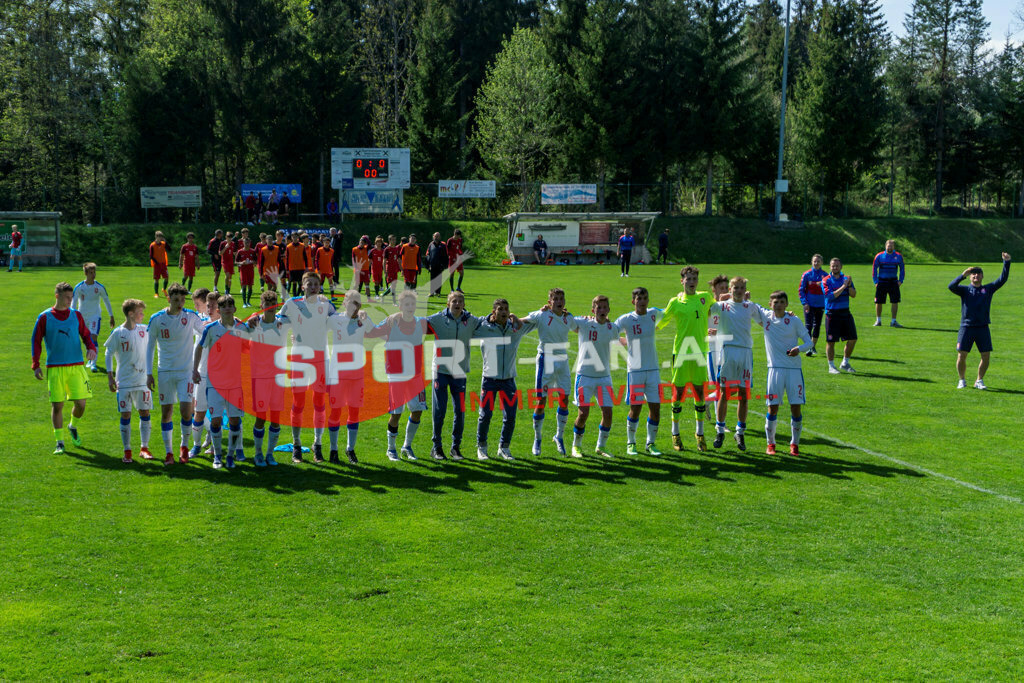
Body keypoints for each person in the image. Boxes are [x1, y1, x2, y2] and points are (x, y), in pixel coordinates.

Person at [31, 282, 98, 454]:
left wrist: (91, 348)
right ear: (57, 296)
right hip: (55, 368)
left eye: (71, 297)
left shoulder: (76, 315)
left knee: (81, 404)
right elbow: (36, 341)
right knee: (57, 406)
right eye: (67, 297)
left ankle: (72, 426)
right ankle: (59, 442)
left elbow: (86, 334)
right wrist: (36, 364)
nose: (70, 300)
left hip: (76, 367)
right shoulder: (44, 317)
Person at [278, 271, 336, 463]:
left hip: (320, 358)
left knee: (319, 402)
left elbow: (340, 321)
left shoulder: (326, 305)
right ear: (302, 286)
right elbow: (278, 319)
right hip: (299, 358)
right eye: (309, 284)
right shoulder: (292, 303)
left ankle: (317, 445)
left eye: (316, 284)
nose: (313, 287)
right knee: (299, 403)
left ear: (320, 287)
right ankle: (296, 445)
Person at [658, 266, 716, 452]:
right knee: (679, 393)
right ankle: (675, 433)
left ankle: (700, 434)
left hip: (700, 353)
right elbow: (660, 322)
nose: (692, 282)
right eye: (688, 279)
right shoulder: (675, 302)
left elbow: (719, 307)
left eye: (694, 279)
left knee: (699, 392)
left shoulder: (705, 297)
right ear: (682, 281)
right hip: (681, 352)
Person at [146, 282, 205, 465]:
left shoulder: (191, 316)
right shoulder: (157, 319)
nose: (180, 303)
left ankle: (184, 447)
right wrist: (149, 373)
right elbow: (149, 348)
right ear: (168, 299)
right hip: (165, 372)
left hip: (185, 372)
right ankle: (169, 452)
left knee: (186, 412)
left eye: (182, 300)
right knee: (167, 413)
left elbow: (206, 332)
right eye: (176, 299)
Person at [473, 299, 534, 460]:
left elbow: (535, 321)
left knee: (510, 416)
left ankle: (504, 448)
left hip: (508, 380)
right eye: (500, 309)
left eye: (506, 309)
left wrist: (545, 311)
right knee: (485, 415)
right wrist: (486, 319)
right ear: (494, 312)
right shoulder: (484, 328)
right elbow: (467, 326)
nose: (504, 312)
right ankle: (482, 448)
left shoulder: (515, 328)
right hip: (489, 379)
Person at [193, 294, 248, 469]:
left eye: (230, 306)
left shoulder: (242, 327)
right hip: (214, 383)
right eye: (223, 306)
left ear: (235, 309)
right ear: (219, 310)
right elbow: (199, 347)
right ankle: (217, 456)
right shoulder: (211, 329)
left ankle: (230, 455)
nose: (227, 309)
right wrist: (195, 369)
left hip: (235, 383)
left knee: (234, 421)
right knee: (216, 421)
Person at [425, 291, 481, 461]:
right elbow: (416, 323)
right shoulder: (437, 319)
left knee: (460, 411)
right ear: (448, 304)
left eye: (460, 301)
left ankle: (455, 448)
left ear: (464, 305)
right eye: (454, 301)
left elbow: (489, 321)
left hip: (459, 372)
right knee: (439, 411)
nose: (457, 304)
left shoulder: (471, 321)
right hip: (440, 371)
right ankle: (436, 447)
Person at [374, 290, 428, 461]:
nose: (410, 307)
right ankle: (391, 449)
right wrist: (361, 317)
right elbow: (371, 332)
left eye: (412, 304)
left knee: (417, 411)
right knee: (396, 413)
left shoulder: (421, 323)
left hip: (415, 375)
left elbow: (440, 322)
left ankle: (407, 446)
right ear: (400, 306)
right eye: (406, 304)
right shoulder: (391, 322)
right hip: (396, 375)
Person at [709, 277, 761, 452]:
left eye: (741, 288)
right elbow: (706, 311)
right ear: (730, 290)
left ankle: (740, 431)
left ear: (745, 289)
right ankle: (720, 430)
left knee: (743, 395)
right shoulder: (722, 306)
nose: (738, 291)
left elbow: (766, 319)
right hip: (728, 352)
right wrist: (718, 299)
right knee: (724, 393)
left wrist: (787, 315)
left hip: (745, 353)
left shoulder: (750, 306)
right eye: (735, 288)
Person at [760, 290, 813, 456]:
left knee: (795, 408)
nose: (778, 305)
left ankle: (794, 444)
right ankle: (771, 444)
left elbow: (809, 342)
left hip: (793, 371)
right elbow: (750, 307)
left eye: (782, 302)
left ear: (787, 304)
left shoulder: (794, 320)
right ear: (770, 304)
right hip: (774, 370)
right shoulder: (766, 317)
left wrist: (799, 349)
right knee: (772, 407)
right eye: (775, 302)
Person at [949, 253, 1011, 389]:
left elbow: (1002, 279)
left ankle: (979, 380)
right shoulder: (964, 290)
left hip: (982, 327)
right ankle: (961, 380)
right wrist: (963, 275)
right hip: (966, 327)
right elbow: (951, 286)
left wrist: (1006, 262)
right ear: (970, 277)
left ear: (982, 276)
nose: (976, 276)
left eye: (978, 274)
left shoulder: (987, 289)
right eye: (973, 274)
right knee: (961, 355)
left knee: (986, 356)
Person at [615, 287, 664, 456]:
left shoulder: (653, 314)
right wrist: (622, 341)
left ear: (648, 300)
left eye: (644, 298)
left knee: (655, 408)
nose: (642, 301)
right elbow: (610, 330)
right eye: (639, 299)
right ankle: (631, 443)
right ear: (633, 301)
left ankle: (651, 443)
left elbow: (671, 310)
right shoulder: (626, 319)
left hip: (653, 370)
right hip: (635, 371)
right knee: (635, 408)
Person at [325, 290, 373, 464]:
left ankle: (350, 449)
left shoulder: (363, 319)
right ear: (345, 303)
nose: (354, 306)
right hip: (337, 375)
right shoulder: (334, 319)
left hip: (356, 376)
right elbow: (316, 329)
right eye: (351, 302)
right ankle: (333, 449)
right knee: (335, 412)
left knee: (354, 412)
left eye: (357, 303)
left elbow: (378, 332)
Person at [569, 295, 620, 458]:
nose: (602, 310)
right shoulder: (584, 323)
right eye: (599, 308)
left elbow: (618, 339)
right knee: (583, 413)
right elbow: (567, 320)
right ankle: (576, 446)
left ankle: (601, 446)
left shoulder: (612, 328)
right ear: (593, 310)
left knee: (608, 414)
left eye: (605, 307)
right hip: (585, 376)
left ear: (609, 310)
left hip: (604, 377)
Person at [524, 288, 573, 455]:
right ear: (549, 301)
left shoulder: (568, 317)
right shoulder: (541, 315)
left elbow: (581, 327)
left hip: (562, 361)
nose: (559, 301)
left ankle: (559, 437)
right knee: (541, 401)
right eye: (555, 299)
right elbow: (521, 321)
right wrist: (511, 317)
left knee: (564, 399)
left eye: (561, 298)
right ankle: (537, 439)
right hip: (546, 360)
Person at [104, 298, 153, 463]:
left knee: (145, 412)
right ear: (131, 314)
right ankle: (127, 451)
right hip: (124, 382)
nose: (143, 315)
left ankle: (144, 448)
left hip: (142, 381)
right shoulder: (118, 333)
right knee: (126, 414)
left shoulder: (144, 330)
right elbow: (108, 353)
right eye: (140, 313)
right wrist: (110, 376)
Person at [245, 290, 284, 466]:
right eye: (267, 305)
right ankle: (258, 453)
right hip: (259, 378)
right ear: (262, 306)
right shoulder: (254, 324)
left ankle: (270, 454)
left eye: (273, 304)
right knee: (261, 417)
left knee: (276, 417)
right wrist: (252, 316)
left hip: (278, 377)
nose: (270, 308)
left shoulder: (282, 323)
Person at [71, 262, 115, 373]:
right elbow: (73, 302)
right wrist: (72, 316)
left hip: (95, 316)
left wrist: (111, 315)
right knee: (85, 339)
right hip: (82, 316)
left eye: (94, 272)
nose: (93, 275)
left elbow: (106, 301)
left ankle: (93, 364)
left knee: (93, 337)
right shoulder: (79, 287)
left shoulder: (99, 287)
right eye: (91, 272)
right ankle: (89, 359)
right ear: (85, 273)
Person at [822, 257, 857, 374]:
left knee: (853, 339)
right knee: (831, 341)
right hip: (832, 314)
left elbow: (853, 295)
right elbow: (830, 297)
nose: (835, 267)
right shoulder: (826, 280)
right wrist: (843, 286)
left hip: (845, 312)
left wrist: (849, 285)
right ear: (830, 267)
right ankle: (831, 366)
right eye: (833, 266)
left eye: (837, 266)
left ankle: (845, 363)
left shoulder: (846, 279)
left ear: (841, 267)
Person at [797, 254, 826, 356]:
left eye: (818, 261)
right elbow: (801, 290)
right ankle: (808, 347)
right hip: (809, 305)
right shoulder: (806, 274)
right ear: (811, 262)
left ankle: (813, 346)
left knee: (817, 325)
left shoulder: (825, 275)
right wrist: (804, 303)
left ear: (822, 263)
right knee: (808, 326)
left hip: (821, 305)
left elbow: (828, 291)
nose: (816, 263)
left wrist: (822, 284)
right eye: (814, 261)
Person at [873, 239, 905, 327]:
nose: (889, 247)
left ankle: (893, 321)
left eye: (891, 246)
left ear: (893, 247)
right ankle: (878, 321)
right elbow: (874, 269)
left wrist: (900, 280)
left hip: (893, 282)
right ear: (885, 246)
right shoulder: (879, 256)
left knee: (895, 301)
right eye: (888, 245)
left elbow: (902, 269)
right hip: (882, 282)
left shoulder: (898, 256)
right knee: (878, 302)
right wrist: (876, 281)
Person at [285, 232, 309, 297]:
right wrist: (287, 268)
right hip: (292, 268)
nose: (294, 238)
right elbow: (287, 258)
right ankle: (295, 296)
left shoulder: (302, 246)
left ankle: (300, 295)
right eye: (293, 237)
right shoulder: (288, 247)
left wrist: (306, 266)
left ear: (298, 237)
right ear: (291, 238)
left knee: (301, 282)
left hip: (301, 267)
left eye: (296, 237)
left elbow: (305, 257)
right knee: (294, 282)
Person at [236, 237, 258, 307]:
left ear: (250, 243)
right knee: (244, 285)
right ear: (243, 243)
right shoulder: (240, 251)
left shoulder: (252, 251)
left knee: (250, 286)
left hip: (250, 270)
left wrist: (252, 262)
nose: (247, 244)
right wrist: (241, 263)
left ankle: (248, 302)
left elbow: (256, 261)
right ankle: (244, 303)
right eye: (245, 243)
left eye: (248, 243)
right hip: (243, 270)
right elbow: (236, 262)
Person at [426, 232, 448, 297]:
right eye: (435, 236)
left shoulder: (443, 245)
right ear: (433, 237)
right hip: (432, 265)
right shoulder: (431, 244)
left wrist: (444, 265)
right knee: (432, 279)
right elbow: (428, 254)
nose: (436, 237)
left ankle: (438, 292)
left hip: (440, 265)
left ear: (440, 237)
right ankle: (431, 292)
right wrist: (428, 264)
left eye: (437, 236)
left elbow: (446, 255)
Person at [149, 231, 170, 298]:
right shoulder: (152, 245)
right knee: (156, 279)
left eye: (161, 237)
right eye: (159, 236)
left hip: (163, 264)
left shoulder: (163, 244)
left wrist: (165, 242)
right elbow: (151, 256)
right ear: (156, 237)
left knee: (166, 278)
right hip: (157, 265)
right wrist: (156, 262)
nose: (160, 238)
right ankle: (156, 293)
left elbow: (169, 249)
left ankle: (164, 289)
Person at [383, 234, 402, 302]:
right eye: (392, 240)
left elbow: (398, 259)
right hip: (389, 269)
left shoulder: (396, 249)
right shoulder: (387, 249)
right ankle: (394, 301)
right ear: (389, 240)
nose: (394, 241)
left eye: (395, 239)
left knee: (394, 285)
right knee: (393, 285)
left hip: (395, 269)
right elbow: (384, 261)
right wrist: (385, 271)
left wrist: (401, 269)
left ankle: (383, 295)